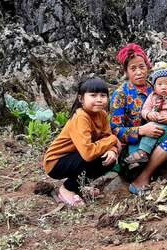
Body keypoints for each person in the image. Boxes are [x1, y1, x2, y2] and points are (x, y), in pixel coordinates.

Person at [109, 43, 167, 195]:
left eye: (142, 67)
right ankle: (142, 178)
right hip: (136, 146)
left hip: (160, 131)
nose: (138, 72)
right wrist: (142, 130)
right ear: (126, 71)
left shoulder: (156, 85)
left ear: (148, 67)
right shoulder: (121, 94)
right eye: (133, 68)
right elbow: (115, 129)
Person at [43, 78, 121, 207]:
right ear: (81, 99)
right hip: (56, 162)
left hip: (76, 156)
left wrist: (112, 150)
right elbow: (88, 153)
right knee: (92, 158)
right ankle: (67, 189)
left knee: (108, 159)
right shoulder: (81, 117)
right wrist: (113, 139)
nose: (99, 99)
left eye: (103, 95)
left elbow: (106, 137)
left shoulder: (102, 114)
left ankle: (78, 186)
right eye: (93, 95)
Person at [125, 62, 167, 167]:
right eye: (160, 84)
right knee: (145, 133)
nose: (163, 87)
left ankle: (143, 153)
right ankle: (136, 162)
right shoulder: (152, 96)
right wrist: (149, 115)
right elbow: (145, 110)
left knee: (155, 130)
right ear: (155, 86)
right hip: (151, 124)